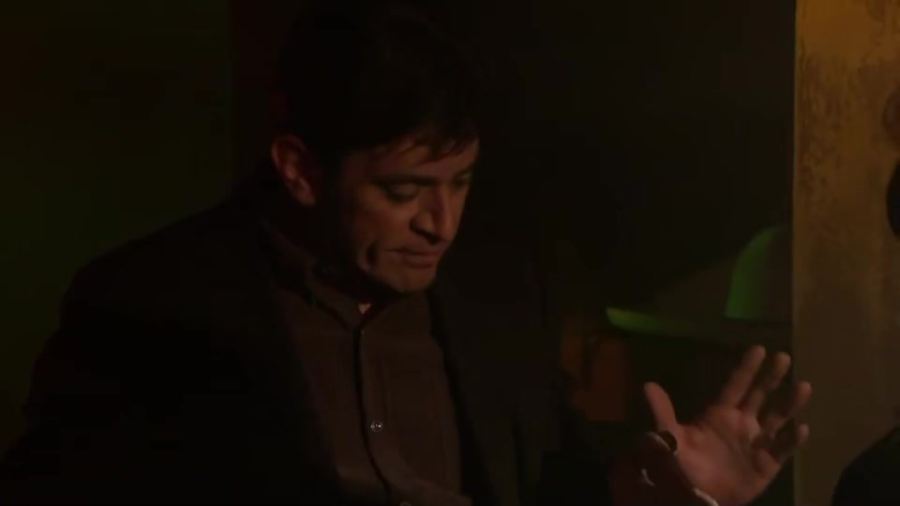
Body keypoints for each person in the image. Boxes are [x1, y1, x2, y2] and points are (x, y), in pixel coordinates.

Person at [0, 2, 812, 504]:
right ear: (300, 170)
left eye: (461, 182)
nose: (441, 223)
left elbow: (555, 489)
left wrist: (656, 496)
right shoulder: (155, 302)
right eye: (404, 190)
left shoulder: (496, 298)